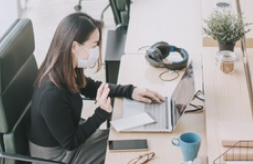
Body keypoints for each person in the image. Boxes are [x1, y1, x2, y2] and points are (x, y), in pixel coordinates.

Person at [28, 12, 164, 164]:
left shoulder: (66, 68)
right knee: (127, 145)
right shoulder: (51, 94)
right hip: (58, 157)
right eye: (94, 45)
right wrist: (101, 113)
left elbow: (93, 87)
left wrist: (130, 91)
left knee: (125, 137)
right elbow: (71, 143)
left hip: (70, 137)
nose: (96, 50)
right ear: (75, 46)